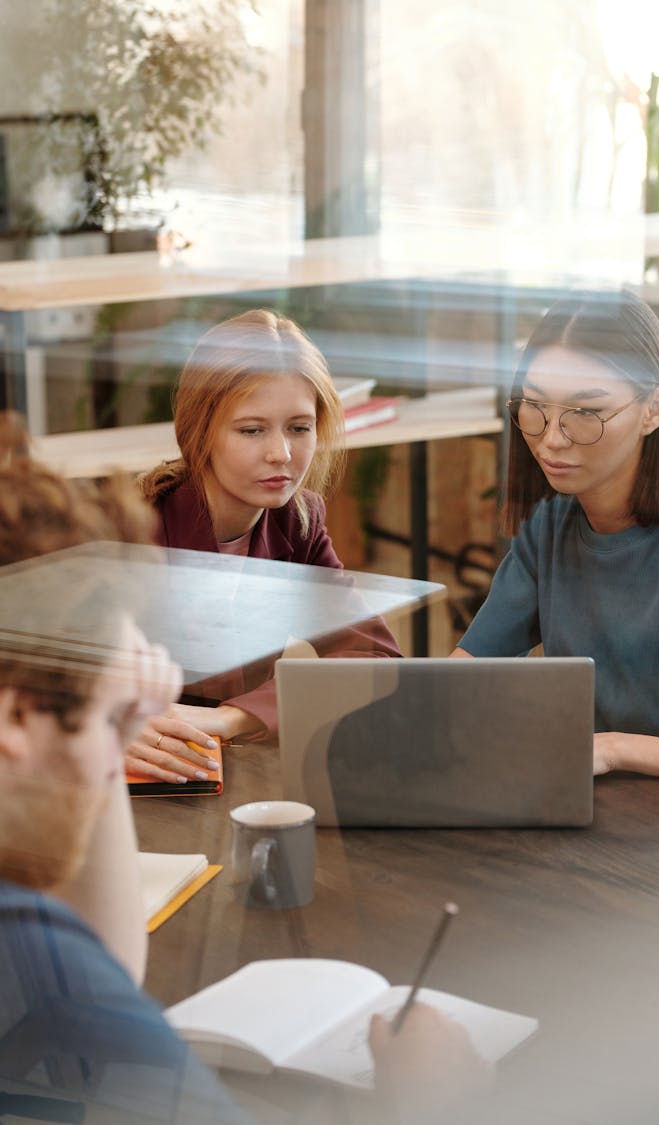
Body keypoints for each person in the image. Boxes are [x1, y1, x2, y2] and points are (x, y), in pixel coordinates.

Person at [0, 417, 494, 1125]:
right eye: (115, 719)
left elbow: (105, 975)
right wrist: (434, 1106)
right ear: (17, 720)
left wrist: (107, 709)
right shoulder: (20, 934)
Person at [454, 288, 659, 787]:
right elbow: (463, 677)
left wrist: (615, 750)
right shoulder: (551, 525)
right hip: (591, 816)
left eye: (586, 413)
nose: (552, 437)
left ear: (654, 409)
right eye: (534, 407)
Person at [128, 309, 401, 785]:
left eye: (299, 427)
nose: (282, 454)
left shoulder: (297, 522)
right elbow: (49, 682)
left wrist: (233, 718)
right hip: (130, 778)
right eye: (252, 430)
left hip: (228, 768)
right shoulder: (134, 530)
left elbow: (373, 660)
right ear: (200, 432)